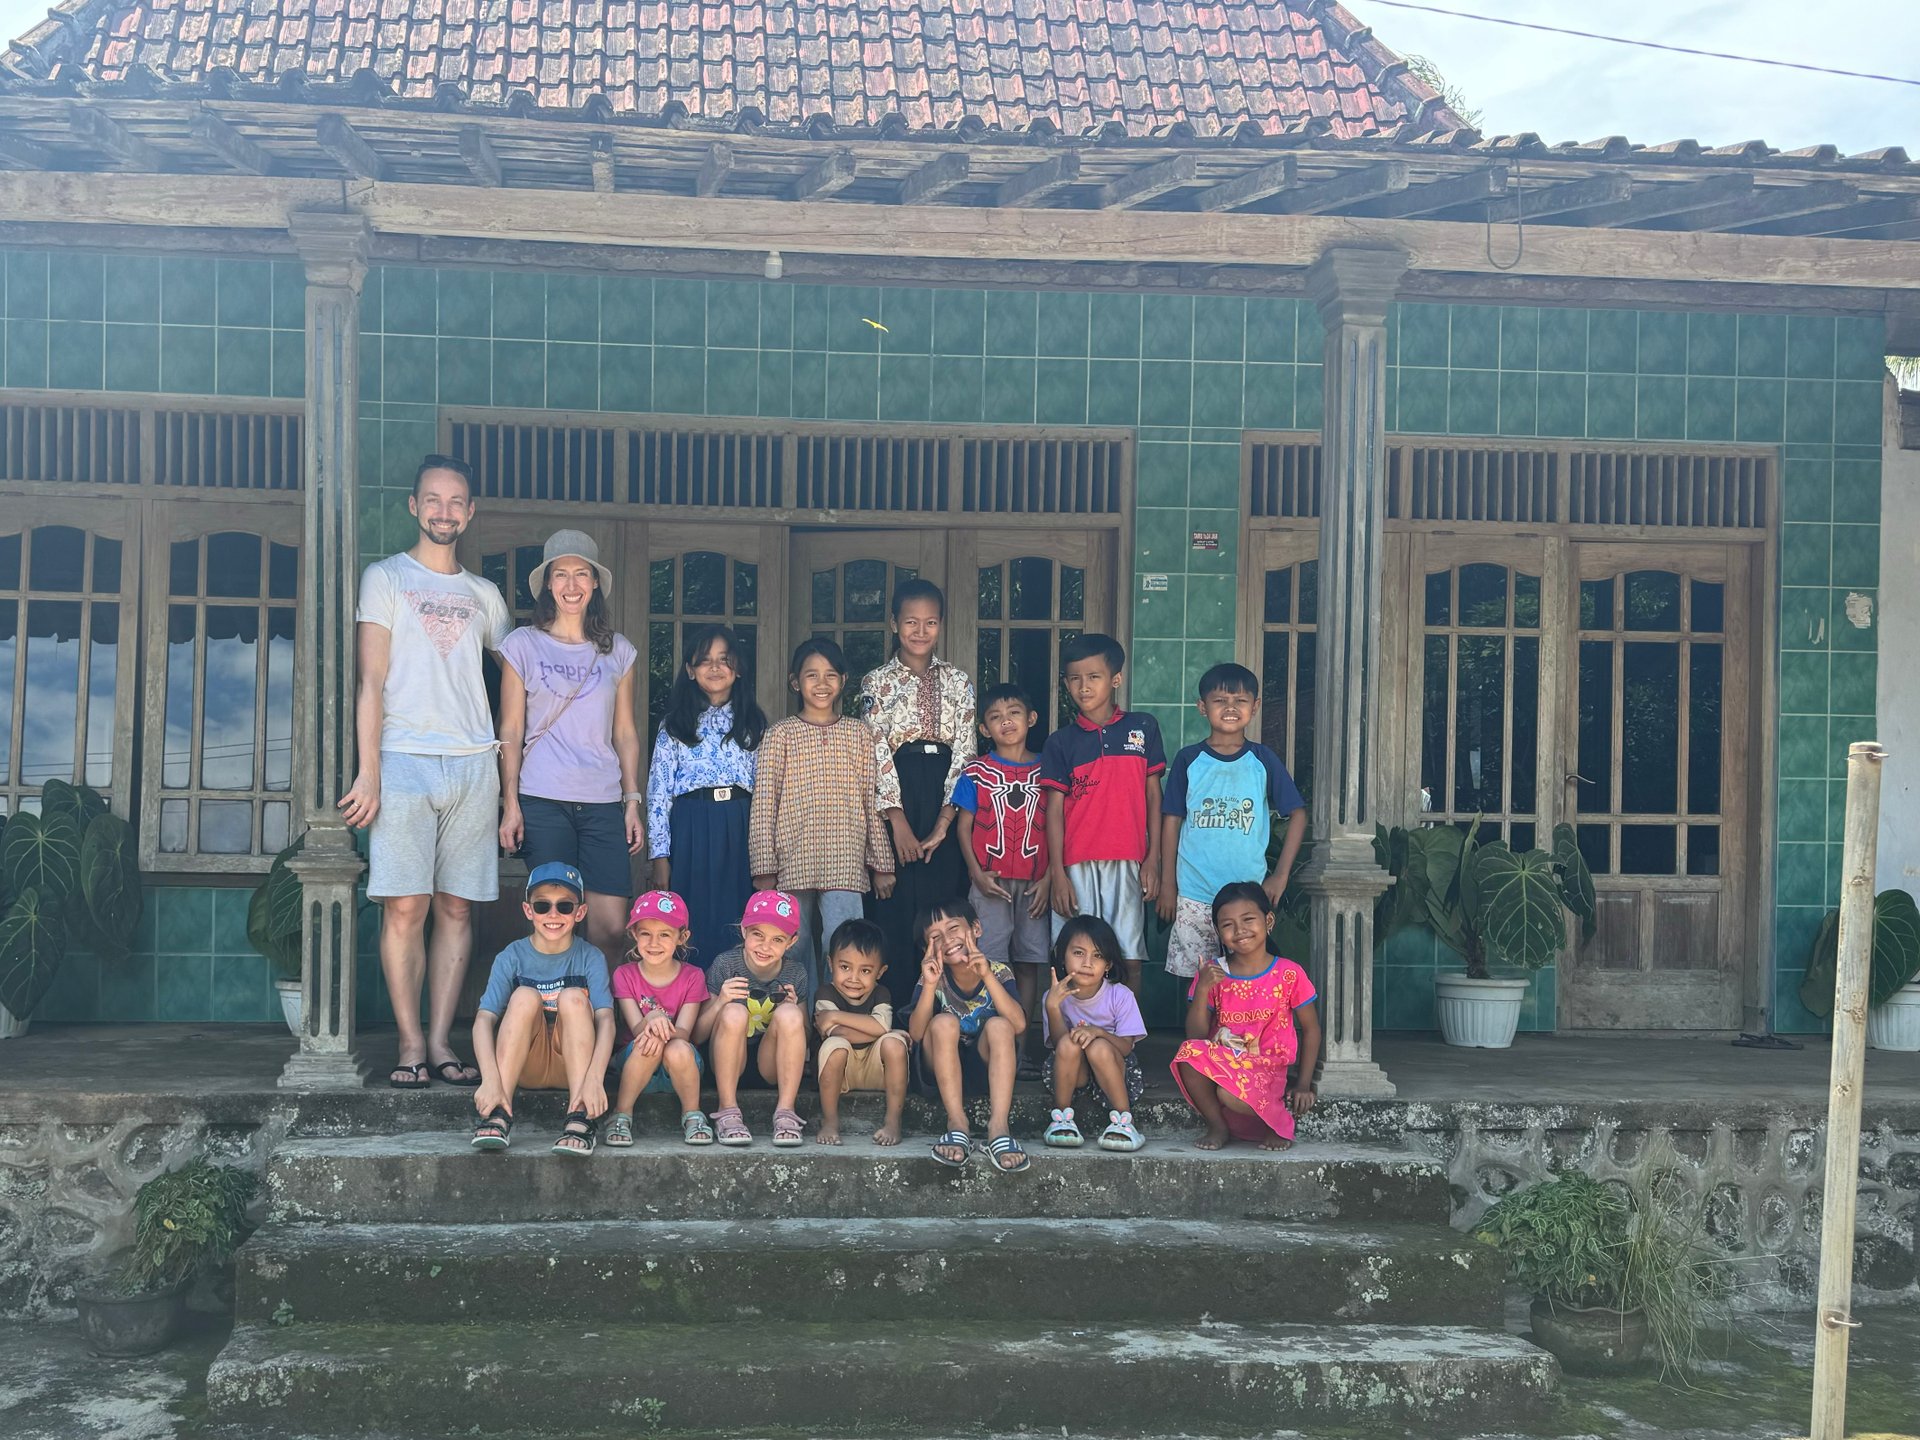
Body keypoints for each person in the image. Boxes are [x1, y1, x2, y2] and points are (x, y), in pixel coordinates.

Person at [338, 453, 512, 1091]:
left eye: (455, 501)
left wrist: (512, 770)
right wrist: (369, 773)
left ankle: (440, 1042)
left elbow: (519, 677)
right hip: (404, 759)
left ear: (470, 512)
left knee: (457, 908)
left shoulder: (484, 595)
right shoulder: (385, 577)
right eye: (433, 499)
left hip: (473, 763)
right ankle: (409, 1042)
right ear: (415, 506)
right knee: (406, 907)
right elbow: (370, 682)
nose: (444, 511)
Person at [496, 530, 642, 961]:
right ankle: (556, 1007)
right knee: (554, 925)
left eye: (581, 574)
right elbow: (510, 728)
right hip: (542, 798)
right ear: (548, 583)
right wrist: (510, 803)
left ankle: (602, 1006)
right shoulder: (522, 644)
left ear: (595, 582)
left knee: (610, 928)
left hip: (602, 799)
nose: (571, 584)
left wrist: (632, 801)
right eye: (561, 574)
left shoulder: (618, 651)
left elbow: (625, 732)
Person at [749, 638, 895, 992]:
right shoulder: (780, 734)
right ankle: (797, 1017)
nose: (821, 683)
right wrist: (763, 867)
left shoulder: (859, 734)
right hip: (792, 855)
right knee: (792, 947)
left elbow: (870, 799)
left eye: (830, 674)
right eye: (811, 675)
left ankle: (836, 1018)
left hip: (846, 856)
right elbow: (764, 802)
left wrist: (882, 863)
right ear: (795, 682)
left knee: (844, 945)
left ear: (843, 681)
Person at [1156, 662, 1308, 981]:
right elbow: (1171, 821)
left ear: (1255, 706)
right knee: (1199, 982)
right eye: (1220, 700)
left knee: (1246, 979)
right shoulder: (1189, 759)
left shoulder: (1262, 760)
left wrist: (1280, 876)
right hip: (1195, 892)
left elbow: (1297, 814)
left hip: (1247, 897)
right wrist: (1168, 883)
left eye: (1240, 700)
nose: (1230, 708)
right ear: (1202, 707)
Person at [857, 578, 975, 985]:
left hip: (945, 794)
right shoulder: (875, 682)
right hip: (896, 793)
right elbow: (875, 751)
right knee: (895, 905)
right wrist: (897, 820)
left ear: (941, 624)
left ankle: (945, 1003)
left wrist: (945, 821)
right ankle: (897, 1007)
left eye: (930, 622)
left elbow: (966, 752)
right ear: (894, 624)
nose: (920, 631)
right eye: (911, 622)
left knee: (943, 907)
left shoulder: (958, 681)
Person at [1040, 634, 1166, 994]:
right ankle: (1066, 1030)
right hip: (1076, 863)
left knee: (1128, 957)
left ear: (1116, 679)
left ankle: (1127, 1030)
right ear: (1066, 683)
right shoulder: (1060, 742)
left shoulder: (1143, 727)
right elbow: (1054, 812)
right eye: (1075, 678)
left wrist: (1153, 858)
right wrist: (1058, 873)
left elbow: (1153, 796)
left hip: (1128, 858)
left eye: (1094, 676)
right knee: (1071, 957)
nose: (1084, 686)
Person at [468, 863, 616, 1157]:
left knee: (573, 997)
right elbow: (483, 1019)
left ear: (580, 913)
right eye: (542, 905)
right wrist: (490, 1078)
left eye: (564, 906)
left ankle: (580, 1114)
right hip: (526, 1064)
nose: (553, 914)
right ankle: (499, 1110)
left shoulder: (590, 956)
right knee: (524, 995)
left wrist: (595, 1078)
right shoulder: (512, 955)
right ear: (528, 910)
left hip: (573, 1066)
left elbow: (607, 1020)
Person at [646, 624, 765, 971]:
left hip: (739, 823)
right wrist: (659, 855)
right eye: (704, 660)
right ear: (690, 669)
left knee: (736, 911)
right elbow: (658, 792)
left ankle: (735, 991)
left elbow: (767, 790)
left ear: (738, 668)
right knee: (691, 911)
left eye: (724, 660)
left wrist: (766, 853)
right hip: (690, 824)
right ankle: (692, 993)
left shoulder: (754, 724)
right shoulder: (674, 725)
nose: (715, 668)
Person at [1170, 882, 1321, 1151]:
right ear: (1218, 932)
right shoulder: (1213, 972)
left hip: (1268, 1070)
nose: (1239, 930)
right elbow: (1196, 1036)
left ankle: (1275, 1122)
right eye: (1228, 925)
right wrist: (1203, 988)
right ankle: (1217, 1125)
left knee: (1229, 1093)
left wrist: (1303, 1084)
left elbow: (1311, 1030)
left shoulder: (1289, 973)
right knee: (1188, 1054)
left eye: (1248, 919)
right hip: (1224, 1064)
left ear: (1268, 921)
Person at [952, 683, 1051, 1080]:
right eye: (995, 717)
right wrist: (975, 872)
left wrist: (1049, 876)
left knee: (1028, 962)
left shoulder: (1048, 769)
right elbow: (964, 827)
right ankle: (991, 1046)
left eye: (1014, 713)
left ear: (1031, 719)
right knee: (990, 962)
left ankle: (1020, 1049)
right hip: (988, 882)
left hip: (1035, 883)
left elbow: (1058, 824)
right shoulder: (976, 772)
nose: (1005, 721)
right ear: (984, 728)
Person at [906, 897, 1029, 1174]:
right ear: (927, 948)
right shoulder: (932, 977)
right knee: (943, 1023)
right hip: (940, 1069)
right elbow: (916, 1033)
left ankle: (998, 1127)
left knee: (1001, 1026)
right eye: (935, 937)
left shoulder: (999, 972)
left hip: (984, 1069)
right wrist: (929, 984)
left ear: (976, 929)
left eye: (953, 928)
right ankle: (957, 1122)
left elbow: (1019, 1024)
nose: (947, 940)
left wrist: (987, 976)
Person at [699, 890, 813, 1148]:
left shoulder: (795, 973)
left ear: (792, 942)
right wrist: (720, 1002)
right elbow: (698, 1035)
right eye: (758, 935)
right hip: (726, 1064)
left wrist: (792, 1008)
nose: (765, 946)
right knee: (734, 1012)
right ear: (743, 930)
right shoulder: (725, 964)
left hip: (770, 1067)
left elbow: (805, 1035)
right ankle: (727, 1109)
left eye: (777, 939)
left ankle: (786, 1112)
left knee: (790, 1014)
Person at [605, 890, 712, 1148]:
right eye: (646, 934)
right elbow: (636, 1027)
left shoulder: (693, 976)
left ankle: (692, 1114)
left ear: (682, 937)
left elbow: (685, 1032)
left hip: (680, 1067)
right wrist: (652, 1017)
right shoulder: (624, 974)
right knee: (647, 1041)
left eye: (664, 934)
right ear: (634, 934)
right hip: (637, 1064)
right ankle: (621, 1113)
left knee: (676, 1046)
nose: (654, 943)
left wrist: (659, 1024)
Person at [1041, 915, 1147, 1152]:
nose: (1087, 963)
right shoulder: (1053, 996)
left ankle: (1124, 1120)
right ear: (1062, 956)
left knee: (1098, 1047)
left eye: (1098, 956)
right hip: (1073, 1072)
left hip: (1112, 1070)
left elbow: (1126, 1048)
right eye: (1078, 953)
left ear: (1108, 964)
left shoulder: (1120, 995)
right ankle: (1061, 1118)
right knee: (1068, 1043)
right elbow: (1058, 1046)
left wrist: (1098, 1032)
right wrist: (1053, 1008)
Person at [812, 917, 910, 1147]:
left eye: (865, 970)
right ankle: (830, 1121)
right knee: (835, 1046)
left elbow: (881, 1027)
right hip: (840, 1074)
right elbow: (839, 1034)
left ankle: (893, 1122)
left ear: (880, 972)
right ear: (830, 964)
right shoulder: (825, 993)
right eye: (845, 967)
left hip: (878, 1072)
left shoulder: (881, 993)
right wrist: (881, 1029)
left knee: (894, 1044)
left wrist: (835, 1015)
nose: (853, 979)